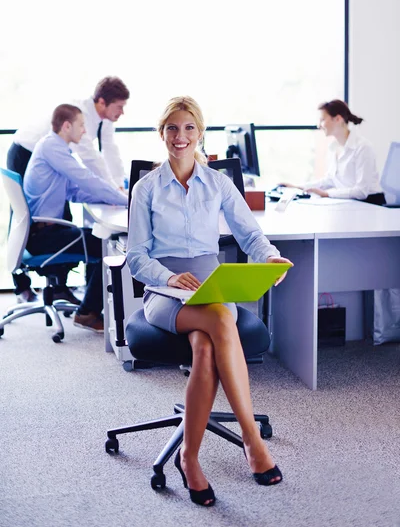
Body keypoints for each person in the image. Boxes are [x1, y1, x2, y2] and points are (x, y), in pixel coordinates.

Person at [126, 96, 293, 507]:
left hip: (210, 285)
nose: (179, 137)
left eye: (188, 129)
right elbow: (135, 257)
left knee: (205, 348)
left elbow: (249, 234)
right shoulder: (146, 188)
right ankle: (252, 442)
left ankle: (190, 457)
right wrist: (168, 277)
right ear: (161, 133)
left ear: (200, 133)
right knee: (220, 320)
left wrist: (268, 257)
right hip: (166, 291)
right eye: (171, 129)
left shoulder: (217, 182)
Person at [7, 76, 130, 302]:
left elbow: (106, 156)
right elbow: (88, 168)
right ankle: (27, 285)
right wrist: (122, 197)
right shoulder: (71, 123)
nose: (122, 112)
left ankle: (59, 287)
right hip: (24, 150)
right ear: (102, 102)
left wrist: (117, 189)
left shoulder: (69, 139)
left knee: (65, 216)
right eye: (120, 106)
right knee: (102, 243)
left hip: (49, 169)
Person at [24, 103, 128, 333]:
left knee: (99, 240)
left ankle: (91, 308)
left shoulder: (53, 147)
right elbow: (86, 179)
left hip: (43, 231)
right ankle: (87, 313)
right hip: (43, 235)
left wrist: (108, 198)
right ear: (67, 125)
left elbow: (75, 190)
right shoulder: (53, 147)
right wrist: (127, 200)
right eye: (81, 125)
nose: (84, 131)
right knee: (107, 248)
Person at [282, 99, 386, 205]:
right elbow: (330, 180)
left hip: (369, 204)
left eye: (322, 120)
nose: (319, 125)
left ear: (338, 119)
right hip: (350, 202)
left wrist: (327, 194)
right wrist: (299, 187)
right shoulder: (333, 147)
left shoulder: (363, 147)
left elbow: (361, 192)